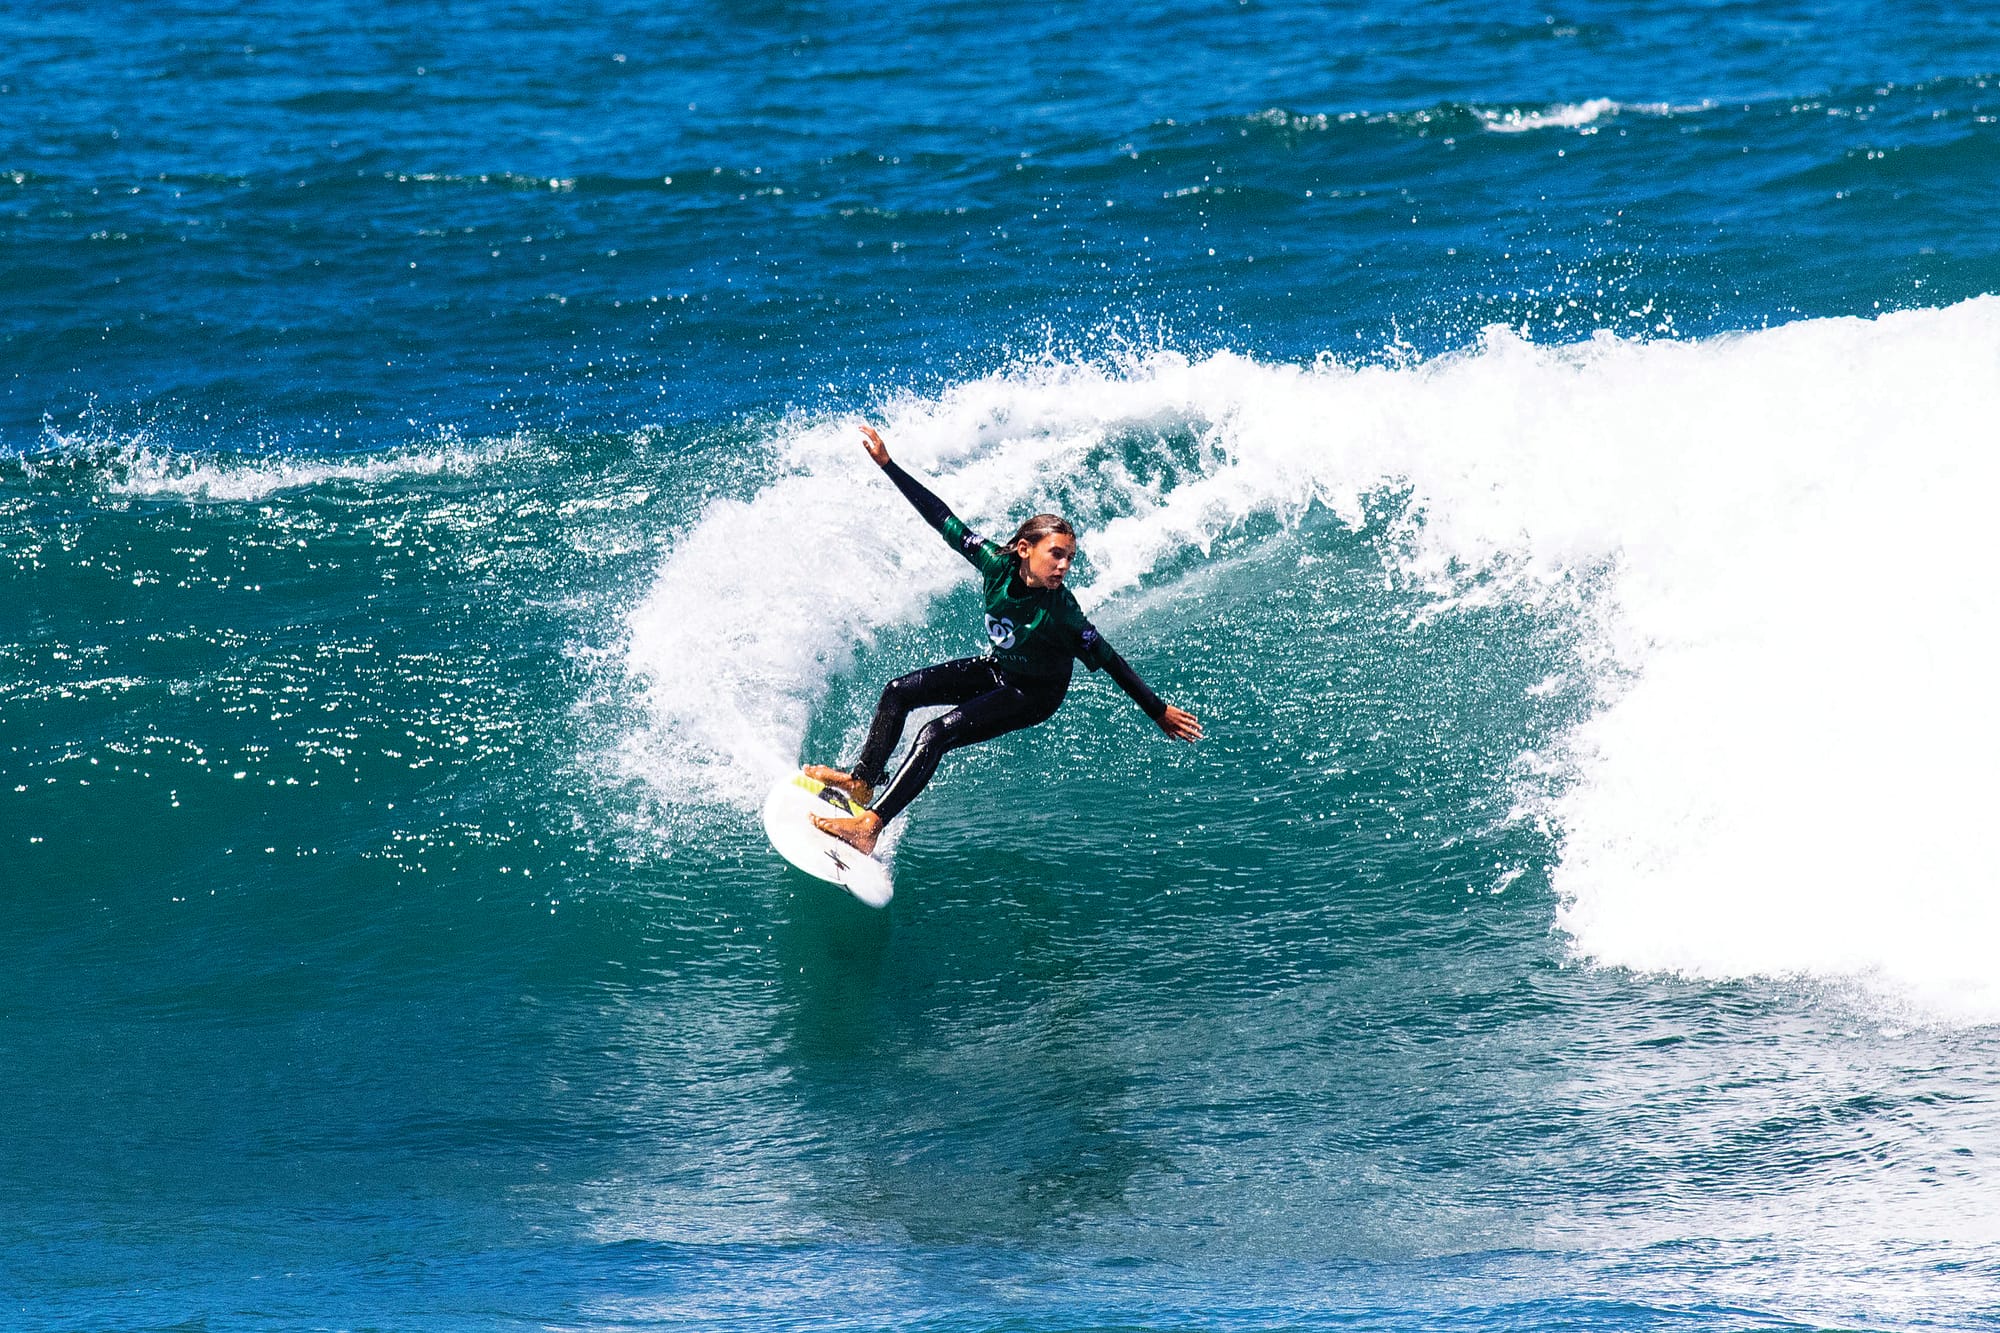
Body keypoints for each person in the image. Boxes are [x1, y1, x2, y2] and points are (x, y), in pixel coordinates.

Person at [807, 425, 1203, 854]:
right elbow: (941, 517)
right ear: (1024, 549)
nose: (1064, 566)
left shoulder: (1063, 614)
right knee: (898, 691)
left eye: (1070, 558)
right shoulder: (995, 563)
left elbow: (1111, 661)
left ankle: (870, 825)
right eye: (1056, 554)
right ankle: (862, 782)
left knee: (935, 734)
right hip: (1001, 669)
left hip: (1033, 695)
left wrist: (1158, 711)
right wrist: (889, 465)